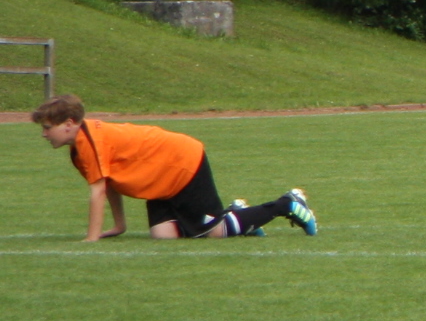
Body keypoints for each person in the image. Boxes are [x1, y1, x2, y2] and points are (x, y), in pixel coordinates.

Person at [30, 95, 313, 239]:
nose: (44, 134)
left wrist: (92, 239)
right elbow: (109, 183)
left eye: (47, 128)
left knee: (214, 233)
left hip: (182, 163)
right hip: (159, 180)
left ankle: (286, 204)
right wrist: (119, 226)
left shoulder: (89, 142)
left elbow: (98, 192)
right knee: (163, 236)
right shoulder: (80, 147)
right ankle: (235, 215)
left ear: (69, 124)